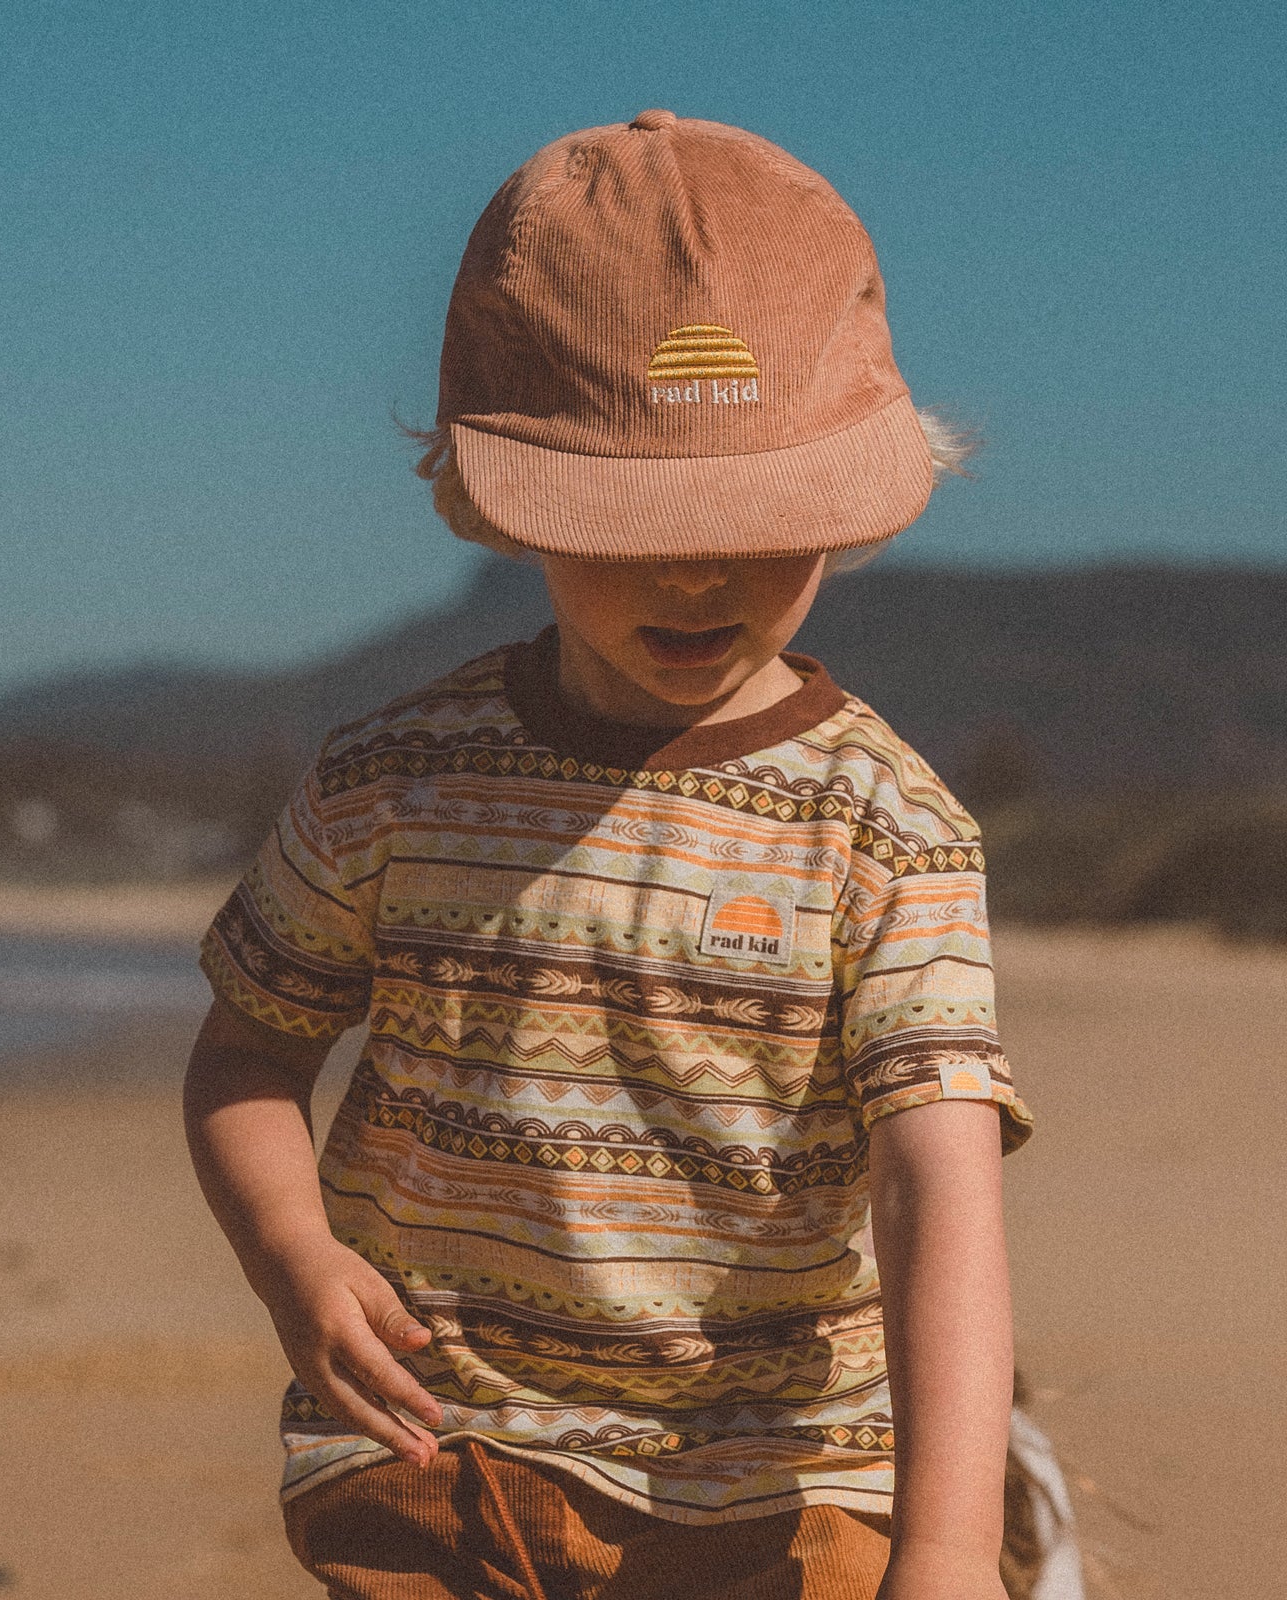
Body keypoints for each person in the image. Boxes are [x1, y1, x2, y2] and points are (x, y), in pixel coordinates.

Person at [185, 110, 1039, 1600]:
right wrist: (293, 1257)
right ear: (496, 496)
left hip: (782, 1480)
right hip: (442, 1456)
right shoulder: (396, 777)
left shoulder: (885, 827)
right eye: (636, 525)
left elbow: (935, 1185)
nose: (699, 572)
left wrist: (951, 1548)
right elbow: (247, 1057)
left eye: (757, 521)